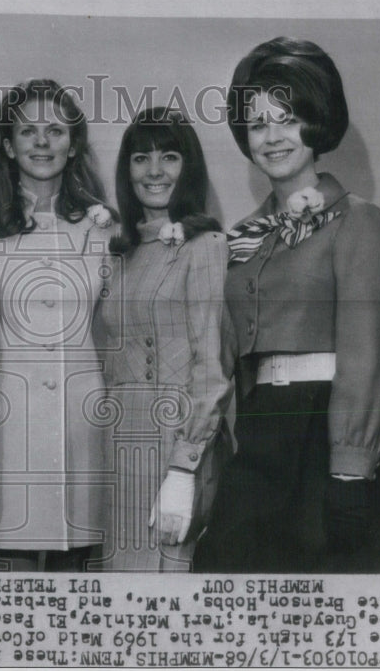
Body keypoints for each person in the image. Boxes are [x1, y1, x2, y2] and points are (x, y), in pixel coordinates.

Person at [192, 37, 380, 572]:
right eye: (258, 123)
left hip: (328, 435)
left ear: (318, 124)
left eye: (287, 119)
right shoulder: (244, 237)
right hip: (264, 432)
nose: (272, 137)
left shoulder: (359, 221)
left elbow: (368, 362)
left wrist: (351, 470)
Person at [0, 79, 116, 572]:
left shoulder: (104, 228)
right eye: (27, 131)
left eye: (55, 130)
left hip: (83, 422)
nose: (41, 142)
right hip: (7, 424)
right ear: (8, 146)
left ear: (73, 144)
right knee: (9, 571)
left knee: (76, 571)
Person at [94, 107, 234, 572]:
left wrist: (184, 468)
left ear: (188, 166)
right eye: (141, 158)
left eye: (169, 156)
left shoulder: (206, 246)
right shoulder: (122, 251)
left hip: (173, 446)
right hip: (119, 447)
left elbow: (211, 368)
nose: (154, 171)